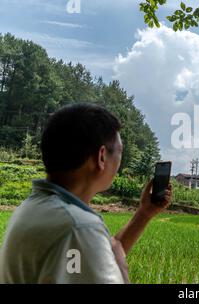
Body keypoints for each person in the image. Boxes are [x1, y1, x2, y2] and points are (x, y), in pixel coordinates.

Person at [0, 103, 172, 283]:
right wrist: (120, 269)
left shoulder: (32, 208)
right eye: (120, 152)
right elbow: (103, 251)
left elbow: (104, 253)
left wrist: (144, 213)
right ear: (101, 157)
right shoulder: (78, 227)